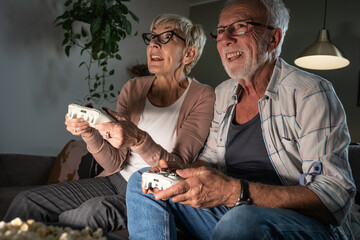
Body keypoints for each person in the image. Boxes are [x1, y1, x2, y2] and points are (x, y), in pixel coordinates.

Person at [126, 0, 360, 239]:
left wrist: (235, 192)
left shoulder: (311, 92)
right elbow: (209, 160)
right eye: (220, 31)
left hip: (300, 223)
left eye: (239, 27)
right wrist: (177, 173)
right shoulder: (223, 93)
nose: (225, 38)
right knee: (142, 181)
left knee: (241, 218)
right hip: (231, 212)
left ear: (273, 39)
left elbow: (334, 196)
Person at [4, 14, 215, 232]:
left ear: (189, 54)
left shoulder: (202, 96)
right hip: (114, 180)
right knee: (27, 201)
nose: (153, 44)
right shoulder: (133, 88)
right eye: (151, 38)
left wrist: (139, 139)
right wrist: (89, 132)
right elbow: (115, 163)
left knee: (90, 213)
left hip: (152, 192)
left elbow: (178, 165)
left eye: (166, 37)